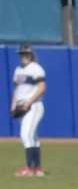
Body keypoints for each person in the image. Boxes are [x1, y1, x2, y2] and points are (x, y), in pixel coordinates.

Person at [13, 43, 45, 177]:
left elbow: (42, 87)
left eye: (26, 54)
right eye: (22, 54)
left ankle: (28, 167)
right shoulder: (18, 70)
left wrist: (29, 101)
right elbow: (18, 88)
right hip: (22, 106)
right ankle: (38, 168)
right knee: (33, 137)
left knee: (26, 135)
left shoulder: (36, 68)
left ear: (31, 55)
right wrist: (14, 104)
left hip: (34, 106)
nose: (24, 56)